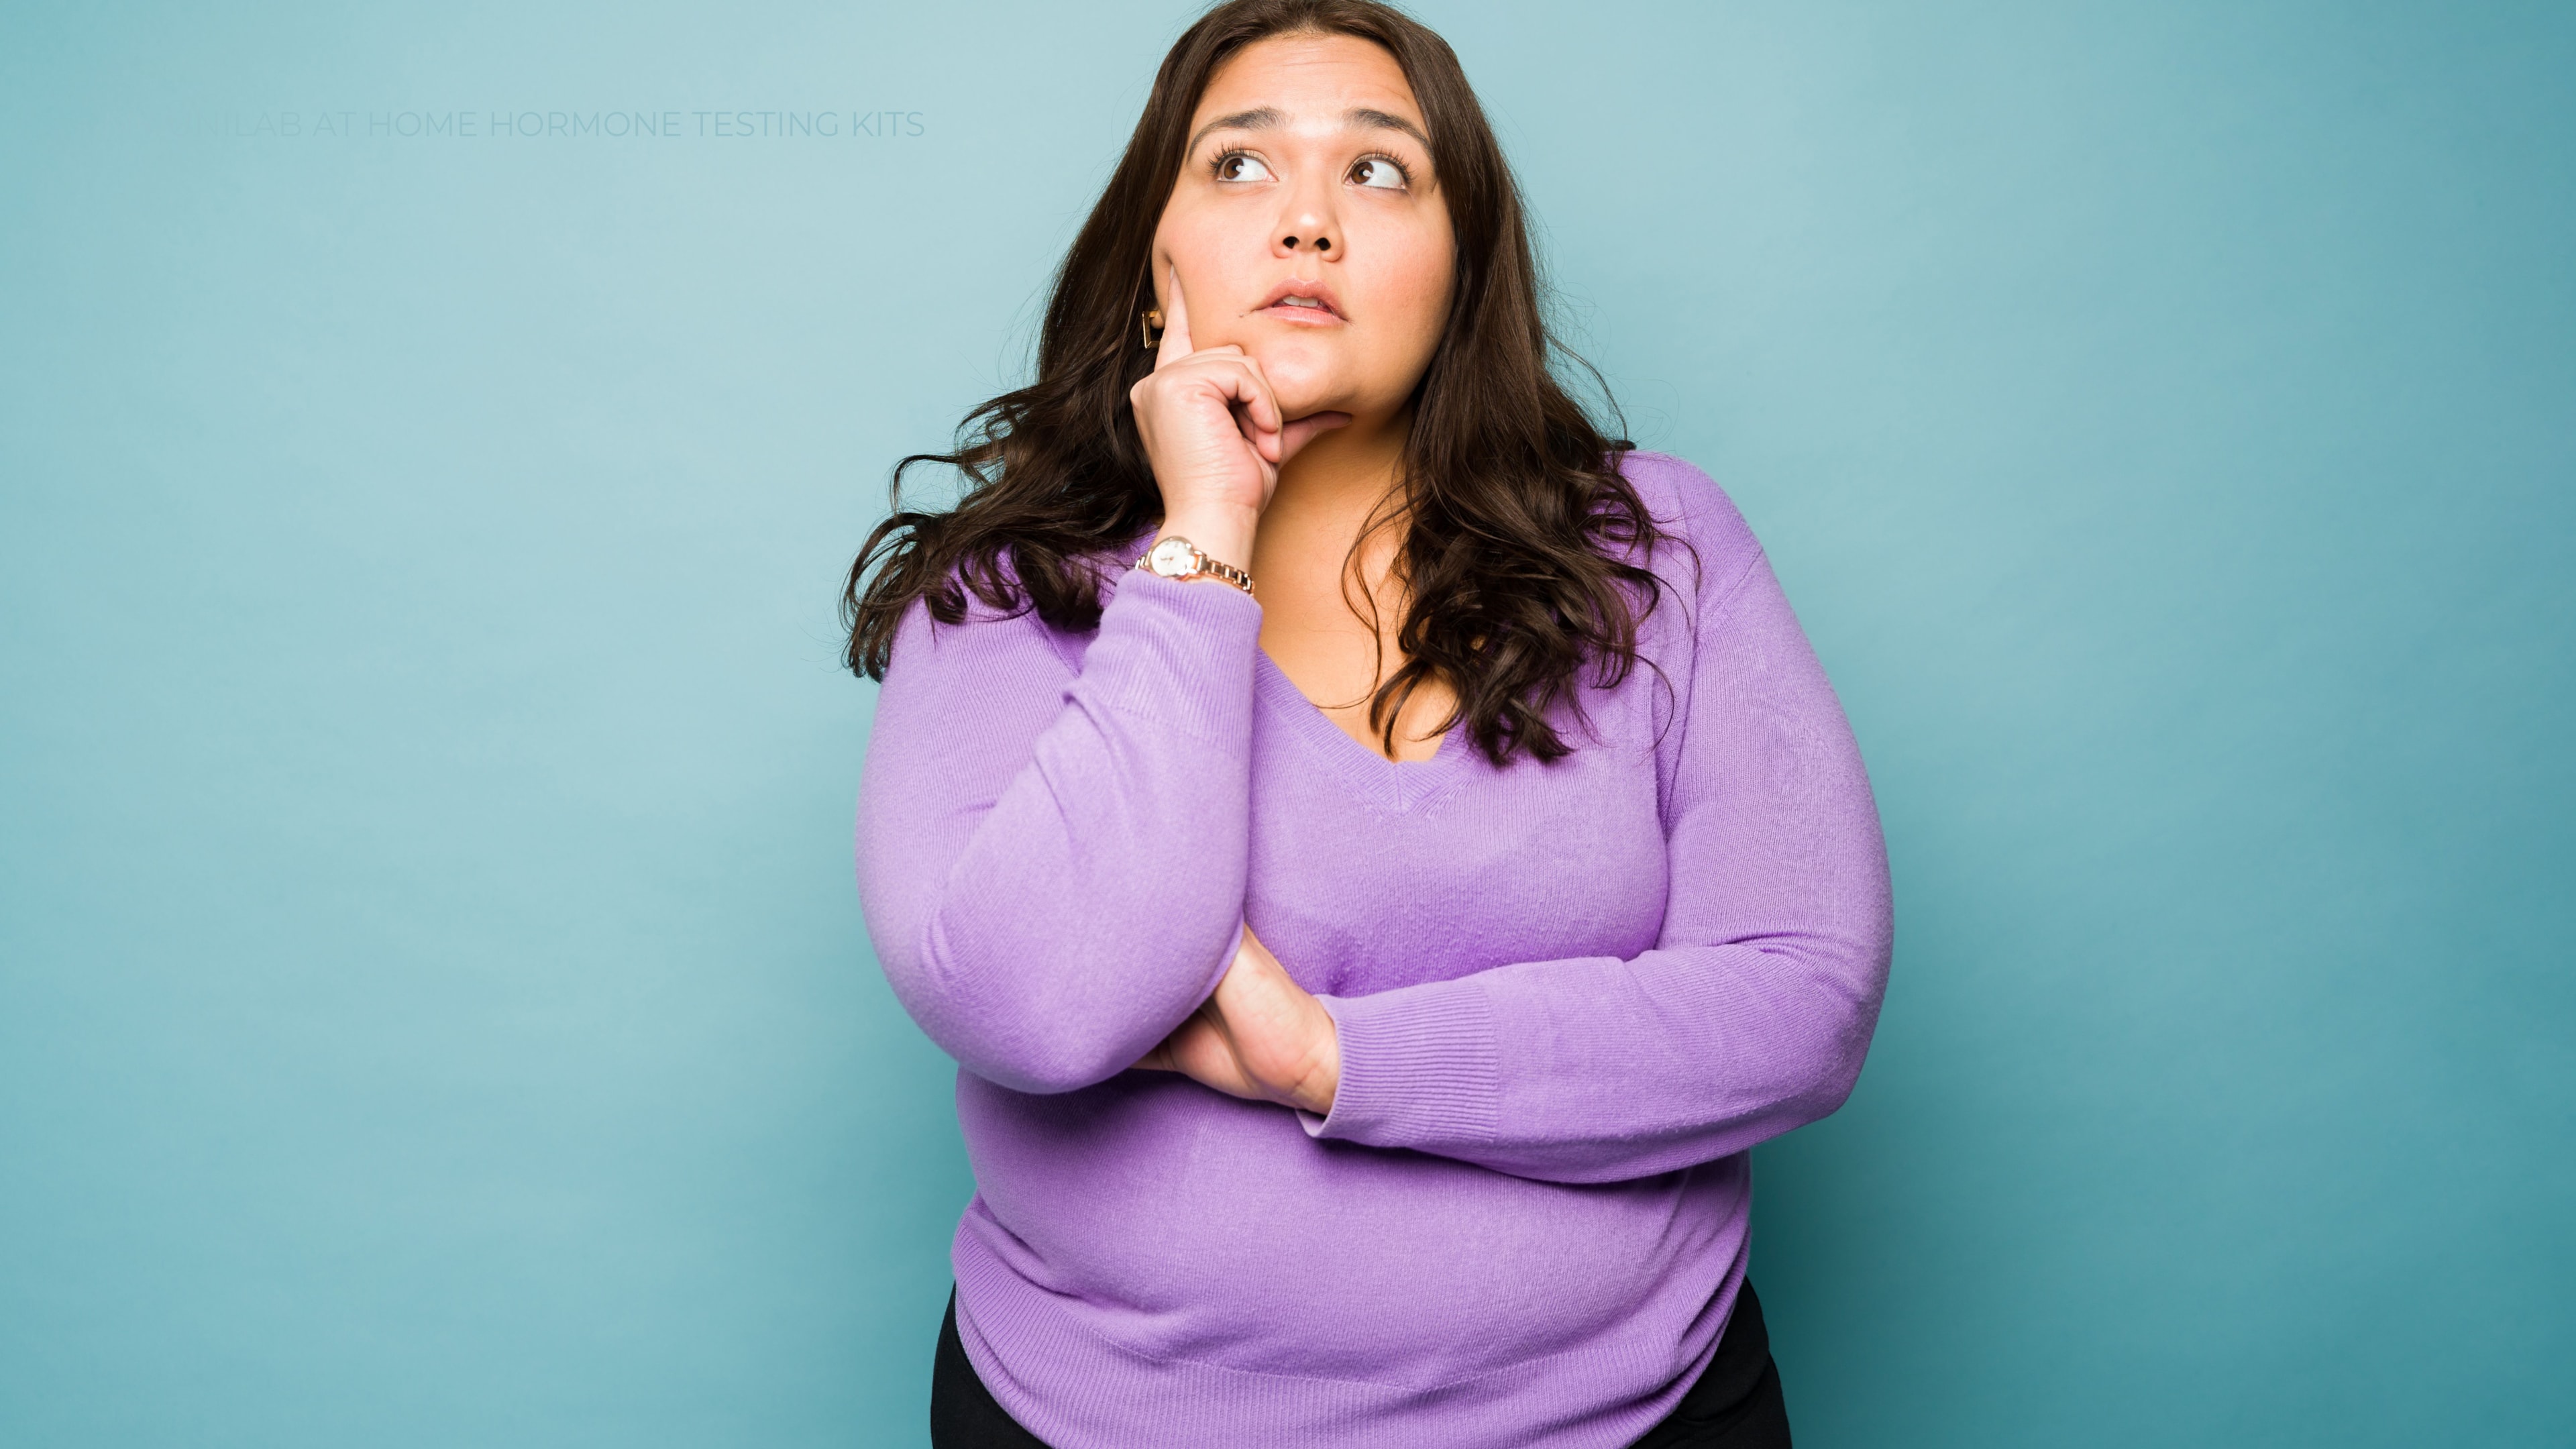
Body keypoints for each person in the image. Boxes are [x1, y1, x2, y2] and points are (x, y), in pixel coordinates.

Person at [843, 2, 1893, 1444]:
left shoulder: (1661, 552)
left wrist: (1328, 1058)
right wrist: (1204, 536)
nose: (1309, 224)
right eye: (1239, 168)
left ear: (1462, 273)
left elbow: (1800, 1003)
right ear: (1158, 268)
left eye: (1381, 173)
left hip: (1644, 1414)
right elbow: (1036, 1001)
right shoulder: (1008, 596)